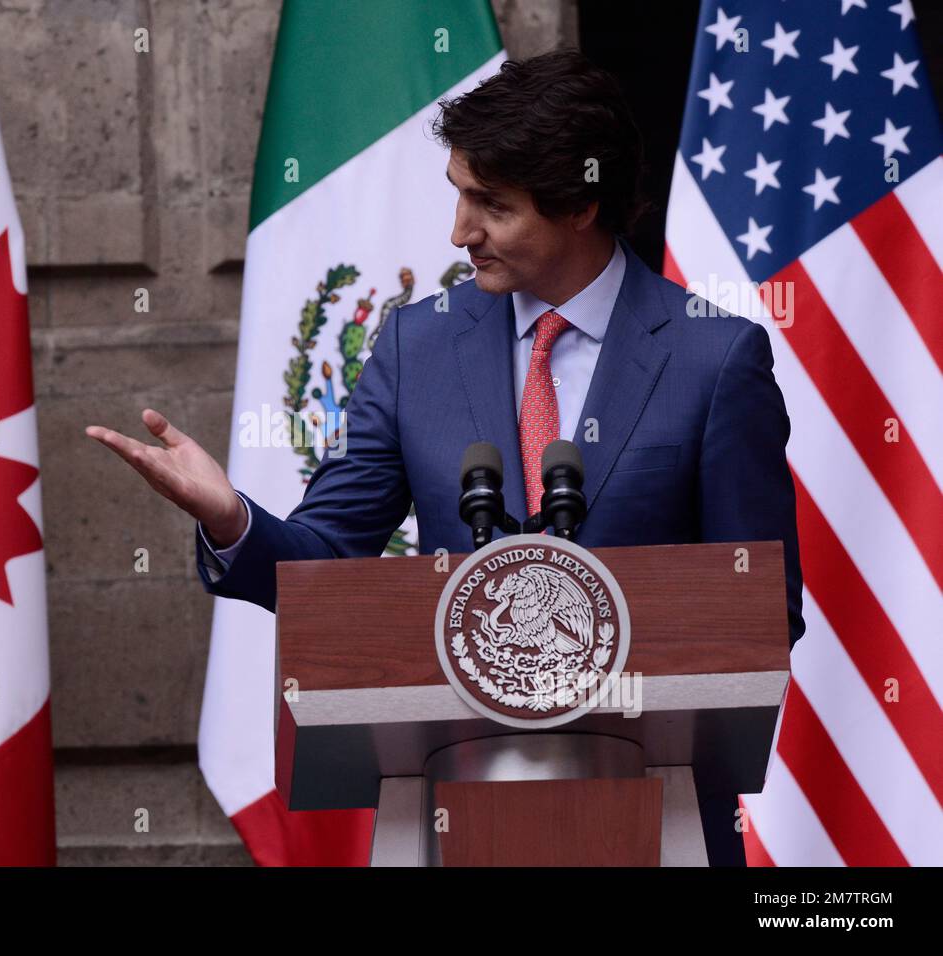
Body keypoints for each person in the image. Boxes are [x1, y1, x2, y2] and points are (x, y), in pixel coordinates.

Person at [86, 49, 804, 866]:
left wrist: (581, 659)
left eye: (490, 205)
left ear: (581, 205)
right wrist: (232, 518)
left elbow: (761, 608)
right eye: (460, 195)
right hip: (447, 821)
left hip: (657, 821)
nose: (459, 231)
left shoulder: (715, 357)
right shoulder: (415, 345)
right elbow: (326, 560)